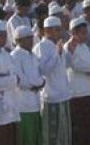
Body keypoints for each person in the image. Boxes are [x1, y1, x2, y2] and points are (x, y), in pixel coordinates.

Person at [34, 16, 73, 145]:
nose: (60, 32)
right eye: (57, 29)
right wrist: (57, 53)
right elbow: (44, 70)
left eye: (60, 29)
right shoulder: (41, 46)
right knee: (52, 135)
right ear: (47, 31)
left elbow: (64, 66)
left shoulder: (57, 45)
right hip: (50, 97)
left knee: (63, 134)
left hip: (63, 94)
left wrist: (68, 51)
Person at [64, 17, 90, 145]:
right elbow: (74, 64)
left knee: (89, 125)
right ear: (74, 33)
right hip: (77, 92)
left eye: (86, 32)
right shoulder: (69, 46)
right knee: (80, 127)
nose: (85, 35)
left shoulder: (84, 46)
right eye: (82, 32)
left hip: (88, 90)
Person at [0, 20, 20, 145]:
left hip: (10, 108)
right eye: (1, 35)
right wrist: (12, 80)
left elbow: (15, 75)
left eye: (5, 35)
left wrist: (9, 80)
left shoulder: (7, 55)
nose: (5, 38)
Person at [12, 25, 45, 145]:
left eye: (31, 37)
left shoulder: (32, 55)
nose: (30, 40)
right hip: (23, 105)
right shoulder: (15, 56)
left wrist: (38, 83)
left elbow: (42, 76)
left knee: (36, 136)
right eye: (27, 38)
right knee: (26, 137)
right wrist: (37, 83)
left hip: (36, 102)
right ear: (18, 40)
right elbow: (21, 81)